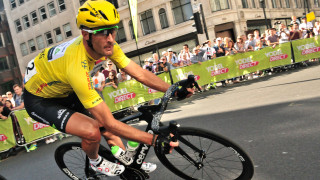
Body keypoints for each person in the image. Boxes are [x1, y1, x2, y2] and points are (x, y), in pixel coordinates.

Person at [23, 1, 186, 176]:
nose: (110, 38)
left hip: (65, 88)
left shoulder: (107, 46)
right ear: (86, 35)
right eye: (102, 33)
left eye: (113, 30)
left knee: (106, 128)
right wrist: (155, 140)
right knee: (93, 131)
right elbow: (110, 123)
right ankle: (94, 161)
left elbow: (139, 73)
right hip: (41, 100)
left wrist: (174, 89)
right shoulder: (76, 63)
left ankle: (129, 164)